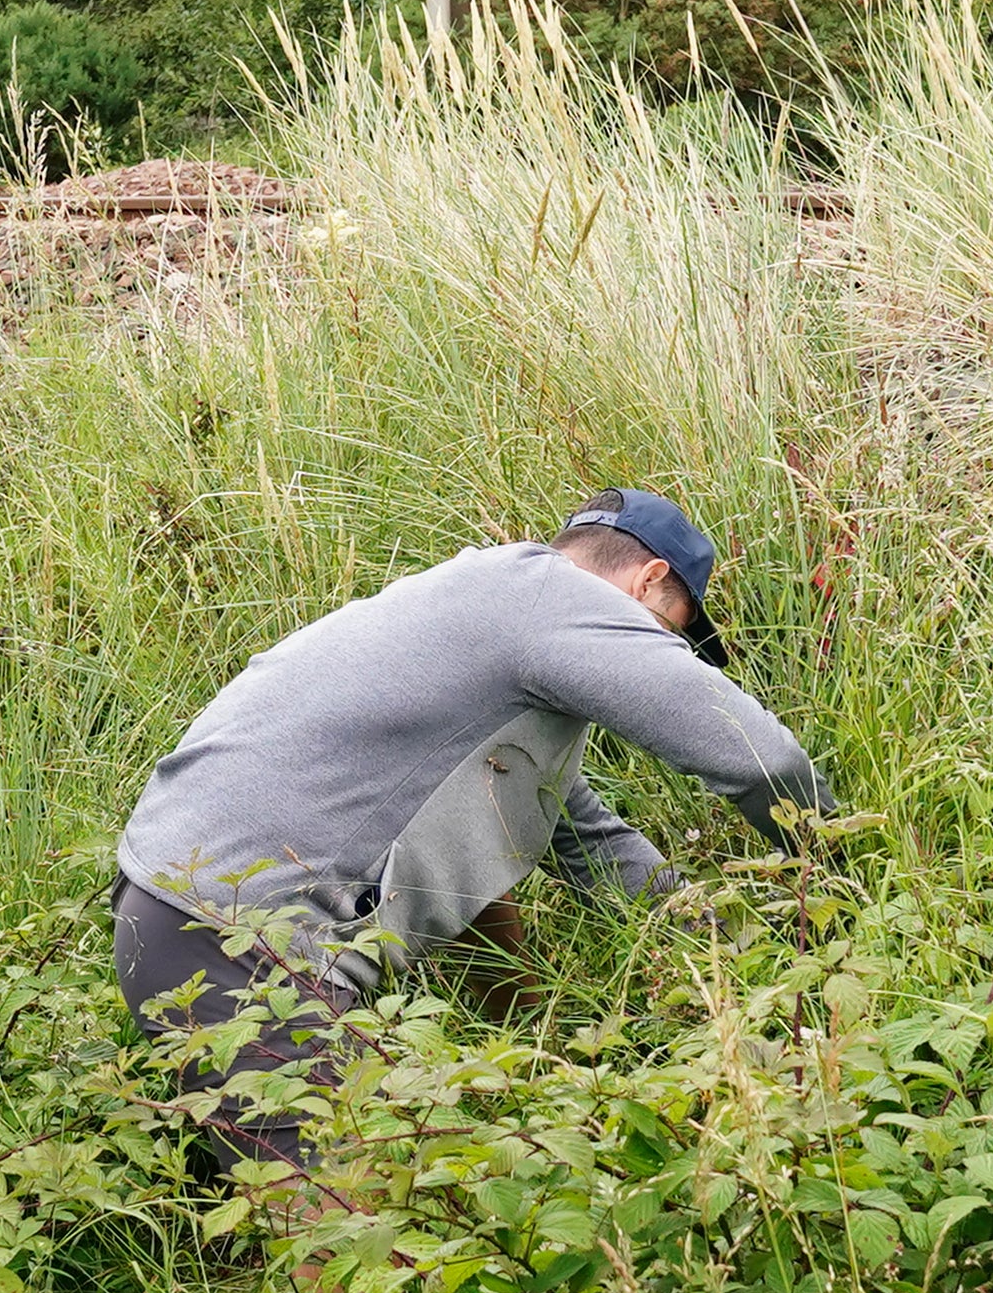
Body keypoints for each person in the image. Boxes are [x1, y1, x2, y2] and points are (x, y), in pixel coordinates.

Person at [112, 489, 829, 1170]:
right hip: (234, 935)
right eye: (672, 630)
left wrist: (719, 949)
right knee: (343, 1232)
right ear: (649, 580)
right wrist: (838, 884)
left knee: (358, 1211)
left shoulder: (488, 610)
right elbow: (761, 757)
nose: (661, 650)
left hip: (173, 907)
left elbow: (586, 843)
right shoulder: (558, 601)